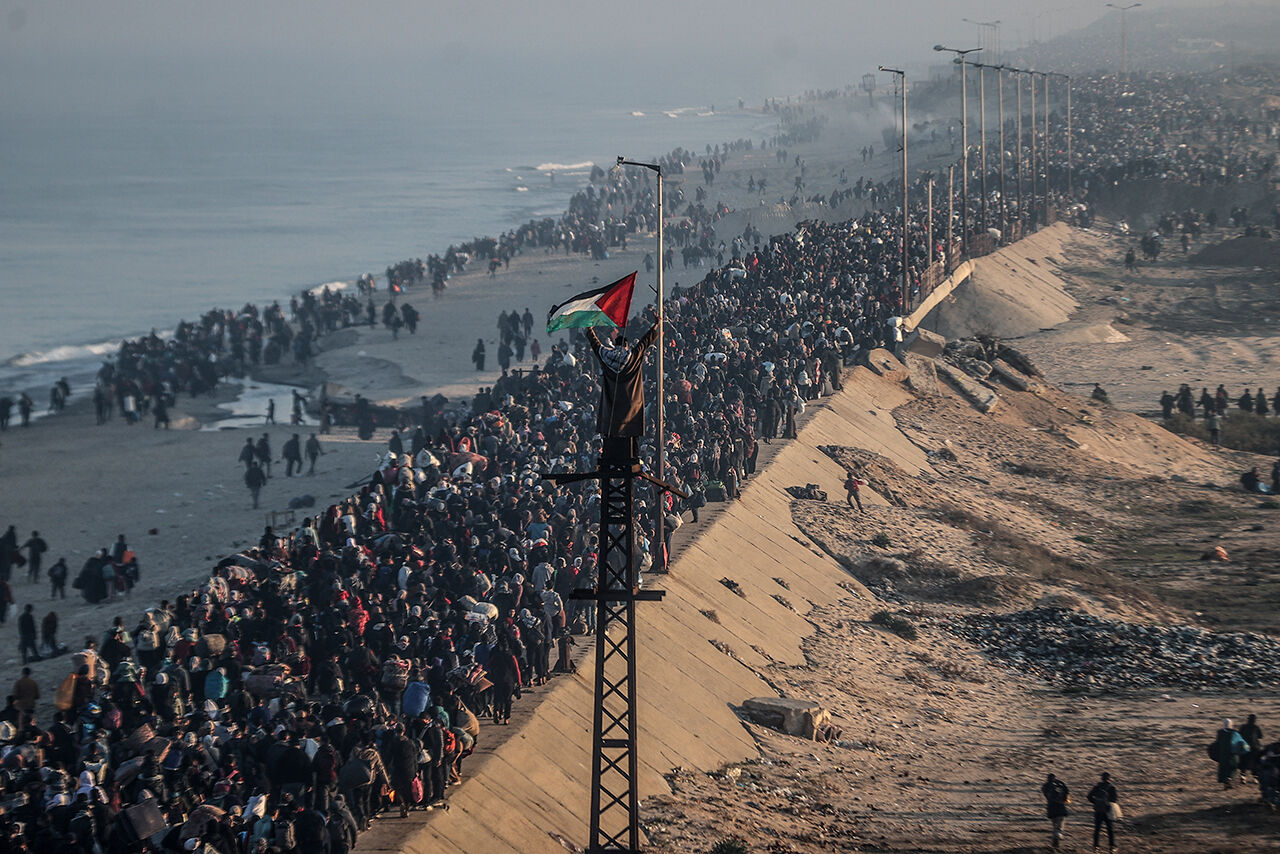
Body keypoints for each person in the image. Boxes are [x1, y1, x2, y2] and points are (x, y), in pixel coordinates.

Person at [1086, 772, 1118, 852]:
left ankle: (1096, 846)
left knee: (1097, 829)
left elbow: (1089, 796)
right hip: (1108, 811)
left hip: (1098, 810)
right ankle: (1112, 846)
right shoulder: (1111, 787)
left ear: (1101, 778)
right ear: (1109, 778)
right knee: (1110, 829)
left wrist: (1096, 802)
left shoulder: (1097, 787)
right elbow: (1114, 799)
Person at [1212, 718, 1248, 788]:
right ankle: (1229, 779)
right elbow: (1240, 742)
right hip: (1232, 754)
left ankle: (1226, 782)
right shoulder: (1234, 733)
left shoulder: (1220, 732)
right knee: (1233, 767)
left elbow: (1218, 742)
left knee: (1223, 768)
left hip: (1222, 754)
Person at [1042, 773, 1070, 849]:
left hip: (1052, 808)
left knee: (1055, 824)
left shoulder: (1046, 786)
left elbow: (1047, 795)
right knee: (1059, 823)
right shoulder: (1059, 785)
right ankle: (1057, 837)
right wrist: (1063, 799)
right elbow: (1066, 791)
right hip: (1060, 807)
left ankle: (1055, 841)